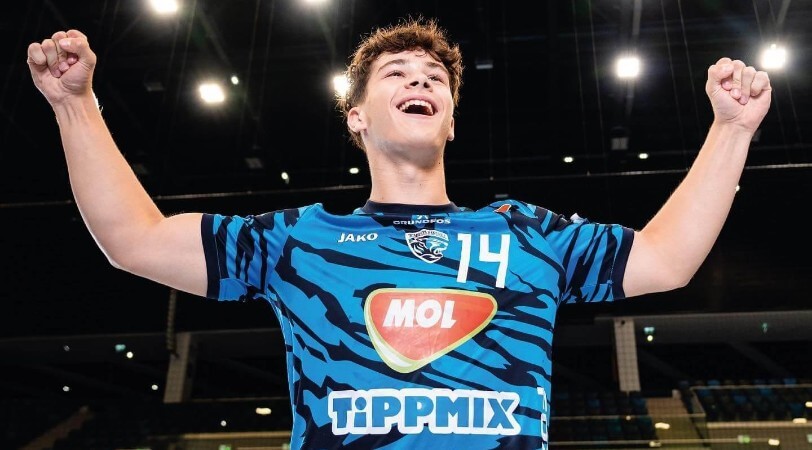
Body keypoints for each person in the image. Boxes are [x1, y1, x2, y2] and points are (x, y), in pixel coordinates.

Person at [27, 16, 770, 450]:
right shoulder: (298, 239)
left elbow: (666, 259)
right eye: (396, 73)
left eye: (434, 78)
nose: (420, 80)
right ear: (356, 118)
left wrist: (732, 131)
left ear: (451, 121)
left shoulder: (526, 235)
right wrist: (74, 106)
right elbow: (133, 239)